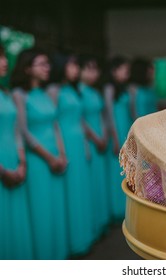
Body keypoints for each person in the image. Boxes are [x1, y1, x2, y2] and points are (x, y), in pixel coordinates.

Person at [11, 48, 68, 259]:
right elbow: (23, 131)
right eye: (41, 64)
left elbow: (55, 125)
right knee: (41, 210)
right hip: (38, 160)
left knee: (55, 210)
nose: (47, 68)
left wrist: (62, 154)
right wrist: (49, 157)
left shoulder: (46, 93)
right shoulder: (19, 94)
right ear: (27, 69)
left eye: (48, 64)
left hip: (55, 156)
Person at [48, 53, 94, 256]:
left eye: (77, 65)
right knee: (70, 192)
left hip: (78, 141)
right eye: (72, 65)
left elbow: (80, 119)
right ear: (61, 66)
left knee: (81, 190)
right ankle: (72, 243)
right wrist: (60, 150)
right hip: (65, 142)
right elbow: (54, 122)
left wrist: (85, 144)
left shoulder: (73, 90)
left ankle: (84, 237)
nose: (76, 69)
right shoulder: (54, 90)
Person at [0, 44, 33, 260]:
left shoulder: (6, 93)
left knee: (16, 222)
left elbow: (16, 131)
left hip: (13, 160)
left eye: (4, 56)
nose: (4, 61)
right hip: (2, 166)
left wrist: (21, 161)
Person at [78, 54, 110, 239]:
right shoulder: (79, 92)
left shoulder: (94, 92)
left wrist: (104, 134)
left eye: (95, 69)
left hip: (101, 139)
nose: (93, 73)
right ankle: (91, 225)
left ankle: (101, 222)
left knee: (100, 181)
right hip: (89, 141)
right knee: (89, 184)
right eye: (88, 68)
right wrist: (96, 138)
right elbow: (80, 120)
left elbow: (101, 116)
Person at [104, 56, 132, 221]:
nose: (126, 73)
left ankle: (126, 206)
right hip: (117, 130)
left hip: (126, 129)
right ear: (114, 71)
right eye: (123, 69)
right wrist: (115, 139)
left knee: (126, 170)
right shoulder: (109, 88)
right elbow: (109, 116)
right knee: (117, 171)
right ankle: (117, 210)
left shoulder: (124, 88)